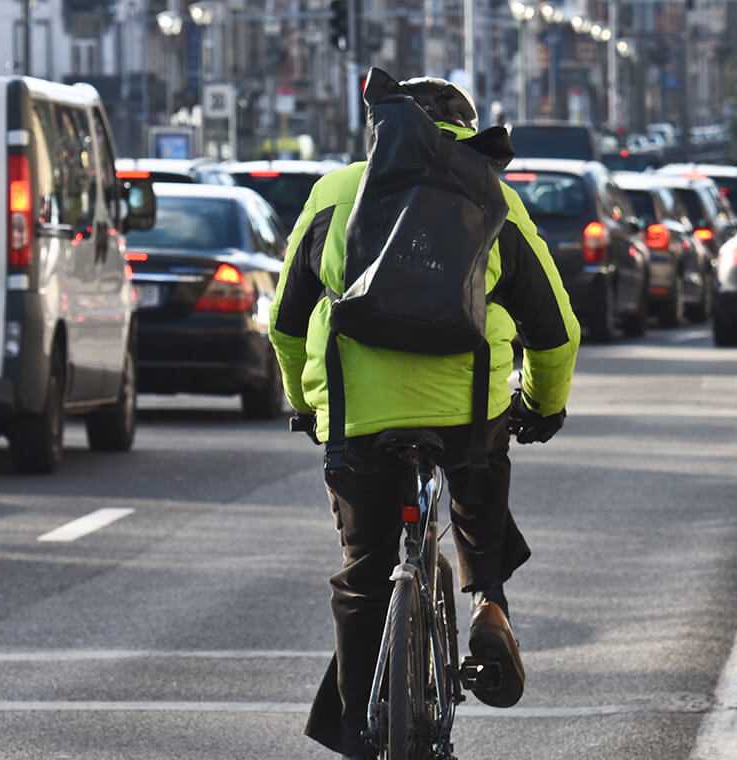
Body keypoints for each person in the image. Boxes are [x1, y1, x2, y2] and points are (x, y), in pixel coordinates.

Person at [267, 77, 582, 759]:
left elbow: (285, 327)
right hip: (467, 412)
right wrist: (543, 405)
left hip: (361, 419)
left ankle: (357, 732)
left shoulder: (335, 195)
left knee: (363, 573)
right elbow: (555, 333)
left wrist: (307, 403)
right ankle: (488, 598)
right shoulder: (496, 198)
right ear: (467, 132)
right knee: (479, 468)